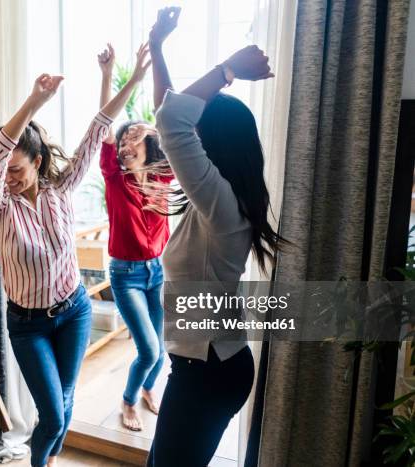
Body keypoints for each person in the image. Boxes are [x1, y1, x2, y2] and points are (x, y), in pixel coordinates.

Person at [0, 64, 147, 467]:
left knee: (67, 399)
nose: (8, 179)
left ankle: (50, 458)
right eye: (4, 172)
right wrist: (35, 101)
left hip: (74, 311)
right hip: (28, 324)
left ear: (37, 162)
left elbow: (97, 130)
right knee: (53, 414)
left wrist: (137, 77)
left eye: (17, 170)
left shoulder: (62, 188)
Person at [145, 7, 285, 466]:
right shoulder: (222, 201)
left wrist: (227, 71)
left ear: (212, 144)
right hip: (211, 365)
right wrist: (159, 47)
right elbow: (168, 111)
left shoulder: (221, 207)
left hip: (206, 371)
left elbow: (171, 123)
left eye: (199, 137)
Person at [97, 43, 173, 431]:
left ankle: (147, 389)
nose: (125, 145)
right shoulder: (114, 177)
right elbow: (105, 127)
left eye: (133, 139)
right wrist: (108, 76)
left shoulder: (164, 176)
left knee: (160, 353)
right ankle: (128, 401)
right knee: (149, 348)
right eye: (123, 142)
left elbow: (187, 141)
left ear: (148, 145)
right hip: (126, 275)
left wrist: (156, 127)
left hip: (157, 272)